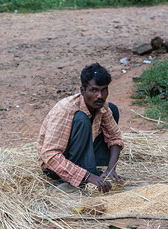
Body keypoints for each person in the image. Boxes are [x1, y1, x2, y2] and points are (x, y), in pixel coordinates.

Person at [37, 63, 124, 193]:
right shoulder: (65, 110)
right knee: (81, 119)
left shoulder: (102, 105)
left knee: (112, 108)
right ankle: (72, 181)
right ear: (82, 91)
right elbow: (50, 156)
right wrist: (89, 176)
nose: (100, 96)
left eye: (104, 90)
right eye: (94, 90)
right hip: (55, 168)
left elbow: (115, 137)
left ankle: (90, 170)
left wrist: (111, 170)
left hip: (82, 155)